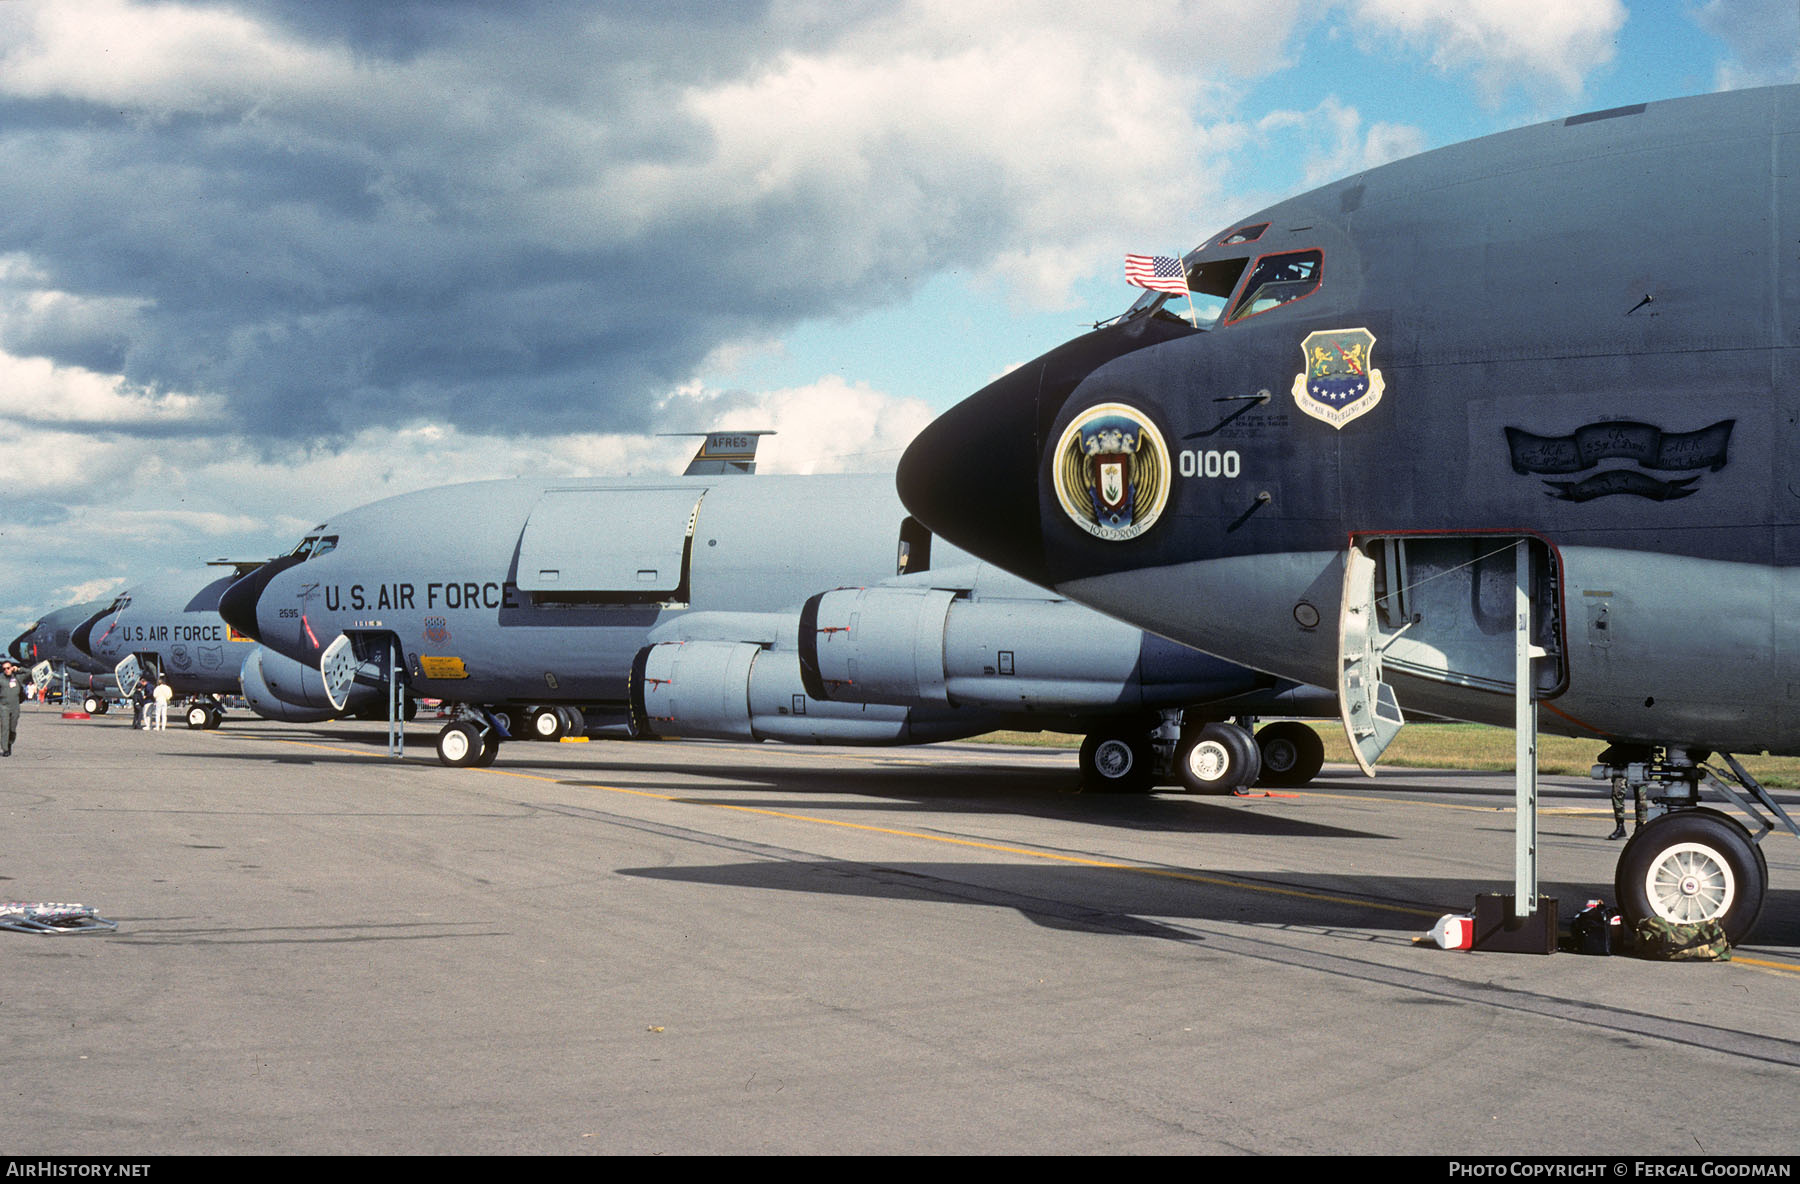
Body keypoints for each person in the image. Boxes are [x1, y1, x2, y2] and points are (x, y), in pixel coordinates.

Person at [1609, 772, 1648, 841]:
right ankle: (1620, 826)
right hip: (1622, 765)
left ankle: (1640, 827)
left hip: (1640, 765)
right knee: (1617, 791)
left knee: (1641, 796)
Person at [0, 658, 24, 757]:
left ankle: (10, 743)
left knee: (12, 729)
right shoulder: (1, 678)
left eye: (8, 668)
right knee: (5, 727)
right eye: (4, 669)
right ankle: (5, 749)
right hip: (3, 706)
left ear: (12, 668)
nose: (6, 670)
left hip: (15, 707)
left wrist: (18, 669)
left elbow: (30, 672)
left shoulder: (18, 677)